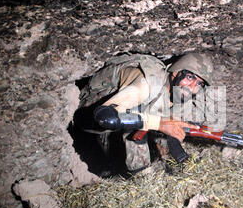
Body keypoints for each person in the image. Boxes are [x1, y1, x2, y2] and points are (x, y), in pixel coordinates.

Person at [73, 52, 215, 175]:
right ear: (176, 72)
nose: (192, 87)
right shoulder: (146, 84)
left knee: (161, 138)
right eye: (189, 77)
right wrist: (158, 124)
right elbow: (106, 118)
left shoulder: (178, 93)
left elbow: (167, 120)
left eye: (199, 84)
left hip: (116, 127)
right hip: (87, 117)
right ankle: (142, 180)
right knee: (140, 121)